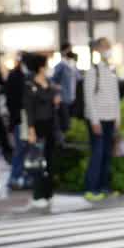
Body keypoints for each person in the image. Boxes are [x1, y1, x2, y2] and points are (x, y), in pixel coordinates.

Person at [83, 37, 121, 201]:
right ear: (97, 50)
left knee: (107, 154)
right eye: (105, 47)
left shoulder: (111, 70)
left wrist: (117, 117)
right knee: (97, 154)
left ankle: (105, 187)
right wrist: (94, 120)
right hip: (98, 119)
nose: (108, 50)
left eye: (109, 47)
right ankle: (91, 188)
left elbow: (115, 96)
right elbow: (89, 97)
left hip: (110, 118)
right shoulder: (93, 71)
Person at [21, 53, 61, 211]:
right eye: (46, 65)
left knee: (50, 161)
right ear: (40, 67)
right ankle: (38, 195)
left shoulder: (49, 82)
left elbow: (53, 101)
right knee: (38, 161)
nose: (48, 68)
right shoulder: (30, 84)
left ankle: (48, 192)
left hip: (51, 124)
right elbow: (29, 109)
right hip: (38, 126)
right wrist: (31, 130)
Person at [6, 54, 29, 187]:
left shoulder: (25, 76)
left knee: (24, 148)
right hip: (19, 118)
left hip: (24, 118)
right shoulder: (15, 76)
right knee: (20, 148)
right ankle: (15, 177)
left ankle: (19, 175)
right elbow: (12, 100)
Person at [51, 47, 79, 141]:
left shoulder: (73, 66)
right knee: (65, 123)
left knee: (71, 121)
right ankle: (63, 144)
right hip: (63, 98)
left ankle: (69, 142)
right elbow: (53, 80)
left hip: (72, 97)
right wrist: (58, 89)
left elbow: (78, 78)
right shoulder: (61, 65)